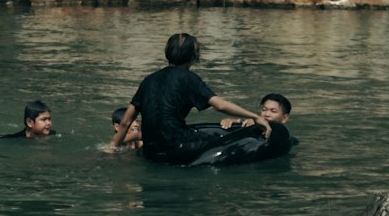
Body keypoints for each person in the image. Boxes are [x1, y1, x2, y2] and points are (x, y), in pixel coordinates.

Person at [110, 32, 270, 164]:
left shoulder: (149, 79)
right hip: (177, 147)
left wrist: (112, 148)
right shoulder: (189, 78)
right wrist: (254, 116)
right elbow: (220, 105)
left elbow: (125, 121)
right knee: (221, 139)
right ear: (194, 55)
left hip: (151, 151)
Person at [220, 91, 292, 130]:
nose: (266, 114)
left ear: (284, 118)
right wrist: (233, 124)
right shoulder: (251, 123)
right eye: (264, 110)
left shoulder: (288, 140)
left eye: (273, 111)